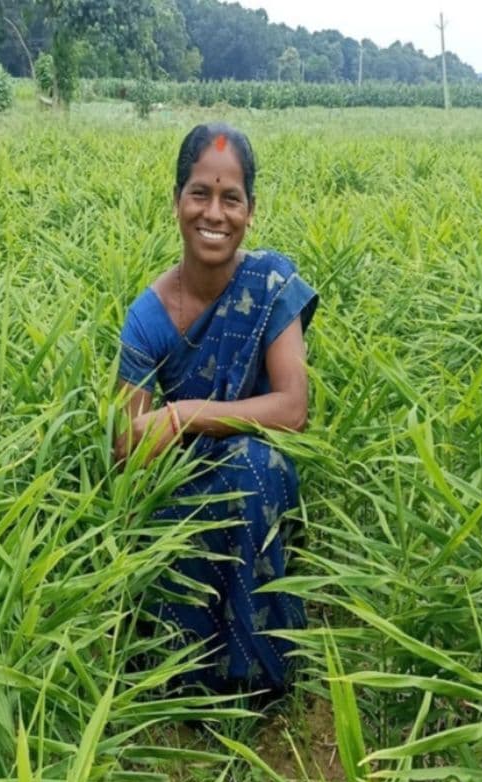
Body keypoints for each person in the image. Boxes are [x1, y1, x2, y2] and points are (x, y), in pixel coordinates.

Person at [114, 123, 317, 697]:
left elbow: (292, 407)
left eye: (231, 198)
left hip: (259, 477)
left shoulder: (272, 282)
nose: (214, 213)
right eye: (200, 193)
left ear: (251, 210)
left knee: (254, 465)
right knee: (173, 506)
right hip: (182, 486)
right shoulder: (147, 319)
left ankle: (256, 674)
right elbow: (125, 445)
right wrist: (149, 437)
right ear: (177, 201)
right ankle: (184, 672)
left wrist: (183, 416)